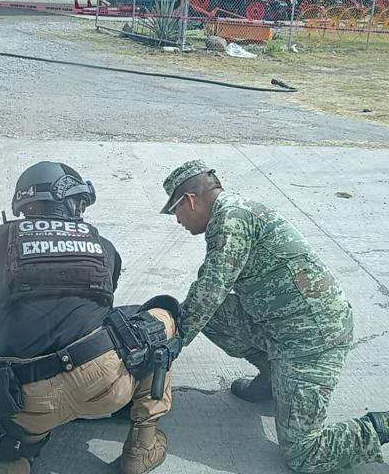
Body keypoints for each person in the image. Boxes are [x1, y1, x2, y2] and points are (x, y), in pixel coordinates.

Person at [160, 159, 389, 473]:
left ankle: (381, 424)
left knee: (304, 454)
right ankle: (272, 376)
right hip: (279, 325)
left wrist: (172, 345)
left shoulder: (232, 218)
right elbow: (206, 293)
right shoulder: (231, 214)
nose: (178, 221)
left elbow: (213, 287)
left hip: (313, 340)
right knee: (210, 315)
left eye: (175, 212)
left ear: (190, 200)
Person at [0, 161, 182, 474]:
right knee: (161, 317)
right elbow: (105, 307)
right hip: (102, 385)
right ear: (68, 201)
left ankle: (10, 461)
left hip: (25, 400)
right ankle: (142, 448)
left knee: (6, 455)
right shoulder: (102, 244)